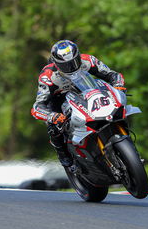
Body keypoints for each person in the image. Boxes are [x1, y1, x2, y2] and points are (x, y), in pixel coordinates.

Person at [31, 40, 126, 169]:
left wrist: (118, 86)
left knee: (117, 102)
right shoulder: (47, 76)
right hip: (60, 100)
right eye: (66, 65)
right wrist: (52, 116)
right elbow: (38, 106)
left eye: (74, 62)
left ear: (78, 56)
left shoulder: (88, 60)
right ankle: (63, 154)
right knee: (54, 126)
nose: (71, 67)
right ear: (56, 63)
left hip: (88, 91)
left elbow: (112, 75)